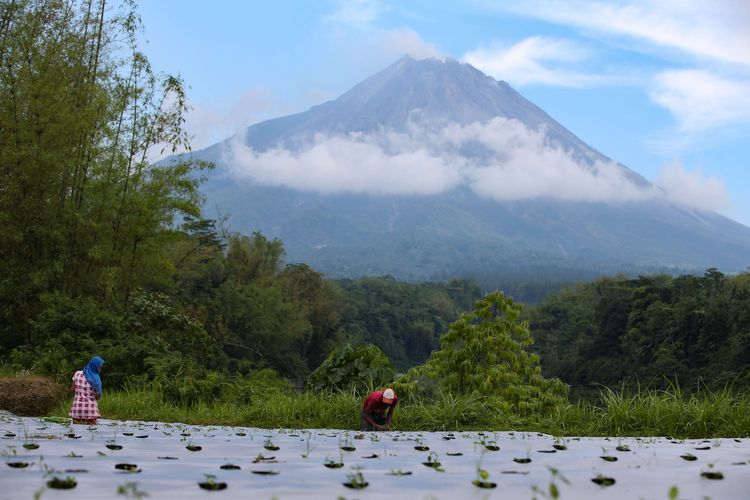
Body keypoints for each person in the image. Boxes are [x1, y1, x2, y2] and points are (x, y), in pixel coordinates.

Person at [69, 356, 104, 425]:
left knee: (76, 432)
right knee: (91, 433)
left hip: (77, 409)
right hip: (90, 410)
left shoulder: (77, 374)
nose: (99, 370)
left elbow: (72, 390)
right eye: (99, 368)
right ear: (95, 367)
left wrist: (79, 396)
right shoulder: (96, 379)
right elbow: (98, 396)